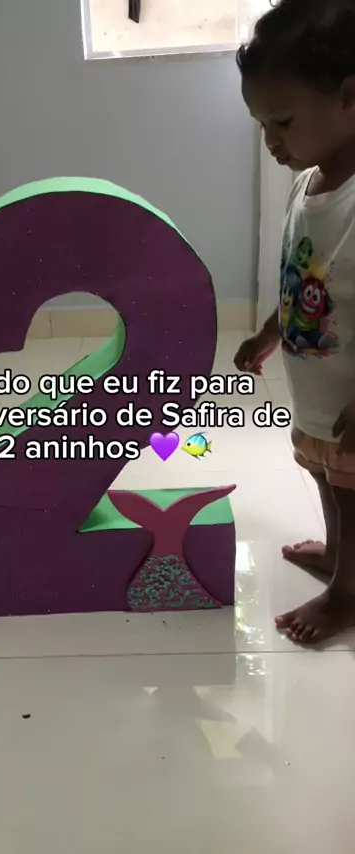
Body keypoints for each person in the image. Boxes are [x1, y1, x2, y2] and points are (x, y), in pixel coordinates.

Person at [234, 0, 355, 644]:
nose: (271, 142)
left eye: (282, 121)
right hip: (315, 396)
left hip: (351, 406)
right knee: (326, 481)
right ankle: (339, 558)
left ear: (349, 97)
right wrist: (267, 333)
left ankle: (349, 596)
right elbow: (302, 282)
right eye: (262, 124)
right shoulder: (306, 187)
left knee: (354, 497)